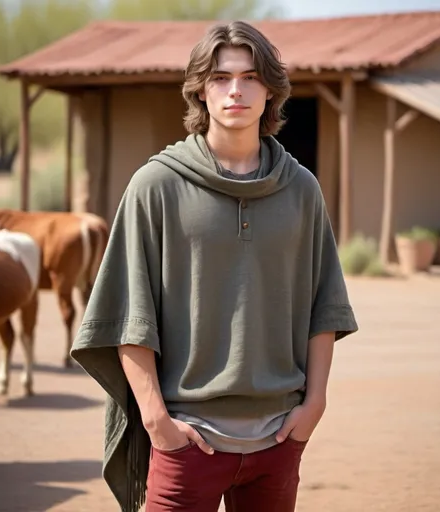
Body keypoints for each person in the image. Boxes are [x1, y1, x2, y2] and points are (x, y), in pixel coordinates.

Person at [71, 20, 358, 512]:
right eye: (221, 78)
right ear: (200, 91)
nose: (236, 91)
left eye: (250, 78)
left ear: (270, 92)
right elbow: (127, 317)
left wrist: (314, 407)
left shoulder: (301, 189)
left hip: (278, 439)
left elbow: (324, 307)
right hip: (188, 441)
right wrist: (158, 423)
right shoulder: (155, 186)